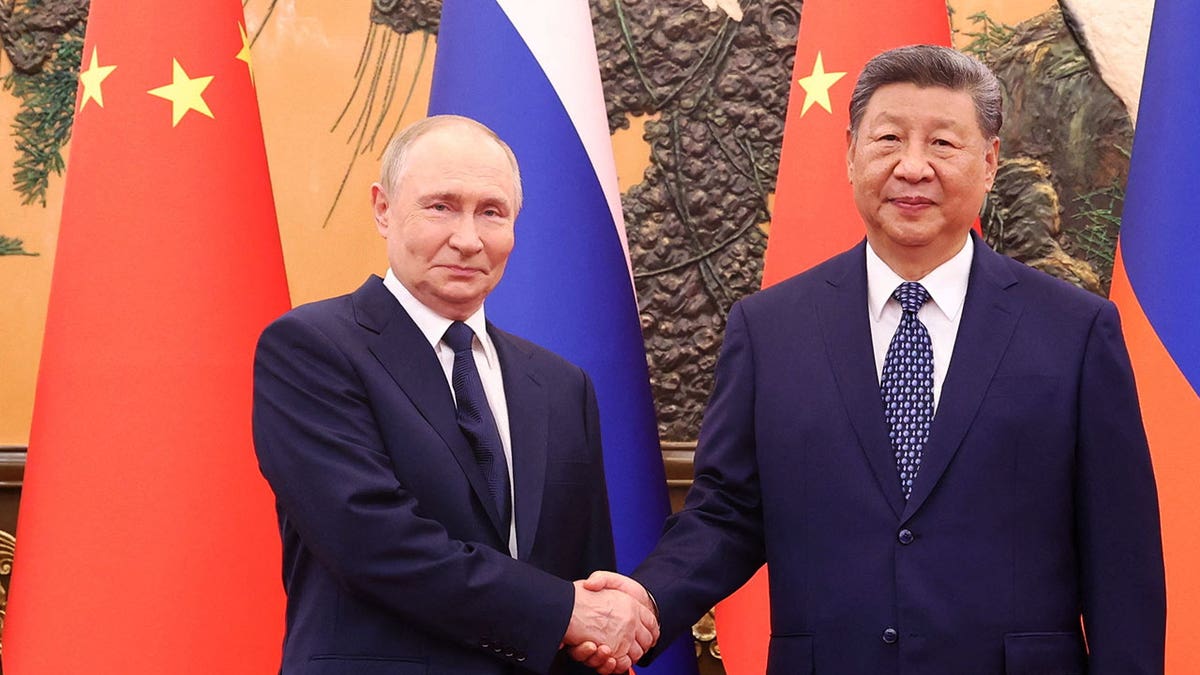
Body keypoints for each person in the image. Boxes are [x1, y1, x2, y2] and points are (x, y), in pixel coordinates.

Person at [583, 44, 1166, 673]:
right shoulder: (770, 328)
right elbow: (726, 514)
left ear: (991, 160)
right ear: (851, 154)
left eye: (943, 144)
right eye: (888, 139)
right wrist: (646, 599)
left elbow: (1121, 558)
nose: (912, 167)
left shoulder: (1074, 332)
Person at [253, 115, 656, 675]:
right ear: (383, 208)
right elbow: (372, 542)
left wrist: (602, 626)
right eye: (440, 206)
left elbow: (586, 578)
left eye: (492, 212)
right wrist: (565, 611)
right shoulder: (311, 348)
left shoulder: (562, 385)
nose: (467, 240)